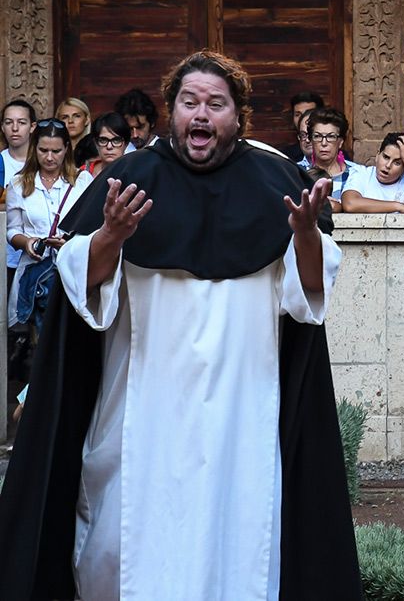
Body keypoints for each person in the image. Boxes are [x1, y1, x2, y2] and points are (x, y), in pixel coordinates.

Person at [0, 51, 362, 600]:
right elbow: (84, 289)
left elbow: (307, 296)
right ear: (171, 111)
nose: (201, 114)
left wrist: (307, 234)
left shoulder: (278, 182)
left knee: (243, 535)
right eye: (189, 102)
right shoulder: (127, 178)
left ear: (238, 116)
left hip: (243, 412)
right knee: (123, 546)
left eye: (215, 104)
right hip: (142, 411)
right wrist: (110, 237)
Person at [6, 119, 93, 334]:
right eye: (43, 150)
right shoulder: (19, 184)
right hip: (34, 273)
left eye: (56, 151)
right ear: (34, 148)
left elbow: (92, 226)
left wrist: (70, 242)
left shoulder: (82, 181)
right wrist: (27, 243)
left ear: (66, 150)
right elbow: (12, 230)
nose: (50, 157)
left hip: (72, 271)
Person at [341, 132, 404, 213]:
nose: (388, 165)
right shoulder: (362, 173)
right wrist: (397, 206)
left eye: (397, 163)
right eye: (386, 157)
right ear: (377, 155)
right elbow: (350, 204)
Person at [1, 99, 37, 289]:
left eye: (21, 122)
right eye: (9, 122)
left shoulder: (45, 162)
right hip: (4, 254)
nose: (15, 128)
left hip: (38, 253)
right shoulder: (1, 162)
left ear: (32, 126)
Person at [299, 107, 360, 212]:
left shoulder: (356, 174)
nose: (324, 143)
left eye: (331, 136)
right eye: (317, 136)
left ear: (340, 142)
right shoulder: (297, 172)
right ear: (311, 140)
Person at [87, 112, 131, 177]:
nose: (109, 146)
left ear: (126, 144)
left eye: (116, 140)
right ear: (96, 143)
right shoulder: (83, 173)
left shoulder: (135, 172)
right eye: (103, 140)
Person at [283, 90, 324, 160]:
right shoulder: (285, 156)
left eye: (309, 113)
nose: (303, 118)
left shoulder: (337, 155)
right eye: (298, 115)